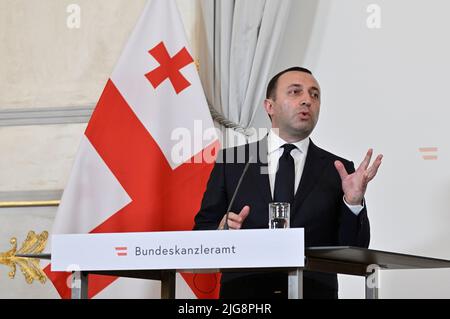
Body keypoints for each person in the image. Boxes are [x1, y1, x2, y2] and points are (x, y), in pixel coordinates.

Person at [193, 66, 383, 299]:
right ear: (269, 106)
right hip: (244, 295)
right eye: (295, 92)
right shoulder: (232, 163)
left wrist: (353, 203)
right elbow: (202, 233)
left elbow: (355, 249)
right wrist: (220, 231)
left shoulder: (338, 170)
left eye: (314, 95)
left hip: (314, 292)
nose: (307, 100)